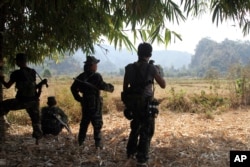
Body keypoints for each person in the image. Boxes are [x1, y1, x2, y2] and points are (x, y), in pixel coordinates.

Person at [122, 42, 166, 166]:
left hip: (133, 104)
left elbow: (125, 87)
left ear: (138, 53)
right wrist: (159, 71)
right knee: (146, 131)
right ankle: (142, 158)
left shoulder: (129, 68)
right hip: (146, 105)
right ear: (150, 54)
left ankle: (130, 153)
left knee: (135, 128)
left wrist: (129, 102)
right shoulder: (152, 68)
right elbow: (163, 85)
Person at [0, 53, 47, 143]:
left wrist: (1, 79)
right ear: (26, 61)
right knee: (36, 120)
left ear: (18, 62)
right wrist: (41, 84)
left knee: (3, 105)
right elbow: (34, 87)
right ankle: (37, 139)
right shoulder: (32, 72)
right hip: (33, 101)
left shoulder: (16, 73)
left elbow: (7, 86)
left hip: (21, 101)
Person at [70, 56, 114, 149]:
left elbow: (73, 88)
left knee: (84, 123)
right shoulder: (96, 76)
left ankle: (80, 142)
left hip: (85, 102)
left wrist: (79, 99)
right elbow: (102, 86)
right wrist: (111, 87)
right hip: (95, 103)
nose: (96, 66)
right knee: (97, 123)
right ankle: (98, 144)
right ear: (92, 65)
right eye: (95, 64)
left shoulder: (81, 76)